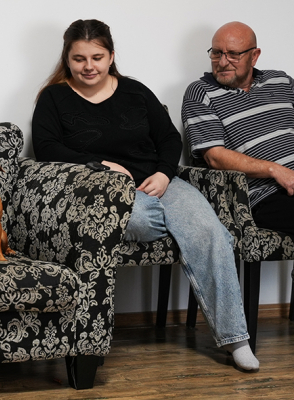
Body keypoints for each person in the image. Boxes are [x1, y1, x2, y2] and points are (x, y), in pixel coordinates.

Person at [32, 19, 259, 372]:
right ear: (67, 59)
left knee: (210, 233)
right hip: (104, 190)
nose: (89, 66)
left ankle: (236, 340)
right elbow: (46, 148)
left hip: (157, 181)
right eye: (79, 59)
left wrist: (164, 174)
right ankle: (184, 226)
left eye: (97, 57)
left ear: (111, 56)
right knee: (140, 220)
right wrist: (100, 165)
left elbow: (169, 138)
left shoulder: (135, 91)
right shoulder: (54, 97)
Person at [182, 21, 294, 239]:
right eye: (217, 53)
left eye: (233, 54)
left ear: (254, 56)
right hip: (264, 196)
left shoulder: (280, 80)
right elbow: (215, 157)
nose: (223, 62)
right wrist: (277, 171)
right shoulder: (200, 93)